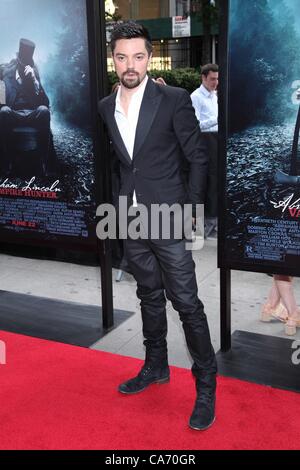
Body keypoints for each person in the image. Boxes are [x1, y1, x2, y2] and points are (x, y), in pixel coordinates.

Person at [98, 21, 217, 431]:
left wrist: (195, 213)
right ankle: (156, 367)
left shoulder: (173, 99)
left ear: (149, 57)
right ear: (113, 58)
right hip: (129, 218)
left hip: (168, 217)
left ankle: (206, 385)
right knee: (148, 294)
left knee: (186, 302)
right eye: (121, 56)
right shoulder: (104, 106)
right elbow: (120, 164)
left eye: (137, 56)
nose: (129, 64)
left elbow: (197, 157)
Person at [0, 38, 50, 174]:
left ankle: (45, 162)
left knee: (44, 110)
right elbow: (1, 102)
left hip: (31, 113)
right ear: (18, 62)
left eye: (27, 64)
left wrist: (34, 81)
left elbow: (46, 103)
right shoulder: (5, 75)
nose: (24, 67)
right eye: (22, 64)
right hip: (13, 113)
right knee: (4, 111)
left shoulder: (34, 75)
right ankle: (6, 161)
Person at [191, 64, 219, 239]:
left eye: (217, 78)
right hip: (204, 143)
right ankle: (205, 227)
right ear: (203, 78)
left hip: (217, 142)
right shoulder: (195, 97)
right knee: (205, 183)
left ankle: (213, 225)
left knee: (215, 183)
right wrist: (216, 119)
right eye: (212, 79)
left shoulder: (216, 95)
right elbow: (195, 125)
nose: (216, 82)